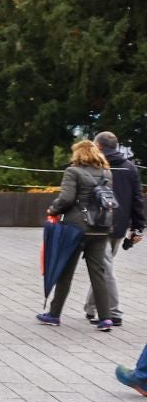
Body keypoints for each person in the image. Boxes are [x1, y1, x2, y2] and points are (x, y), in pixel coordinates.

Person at [41, 138, 119, 330]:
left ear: (77, 154)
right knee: (98, 273)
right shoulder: (106, 172)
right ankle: (105, 318)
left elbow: (66, 198)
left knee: (66, 272)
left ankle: (54, 314)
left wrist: (53, 209)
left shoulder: (72, 171)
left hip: (76, 228)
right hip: (101, 228)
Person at [84, 132, 145, 327]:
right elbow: (137, 199)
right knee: (103, 265)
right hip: (119, 225)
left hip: (99, 224)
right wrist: (138, 228)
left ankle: (113, 311)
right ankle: (90, 307)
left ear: (99, 147)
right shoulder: (130, 167)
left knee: (104, 267)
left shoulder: (95, 166)